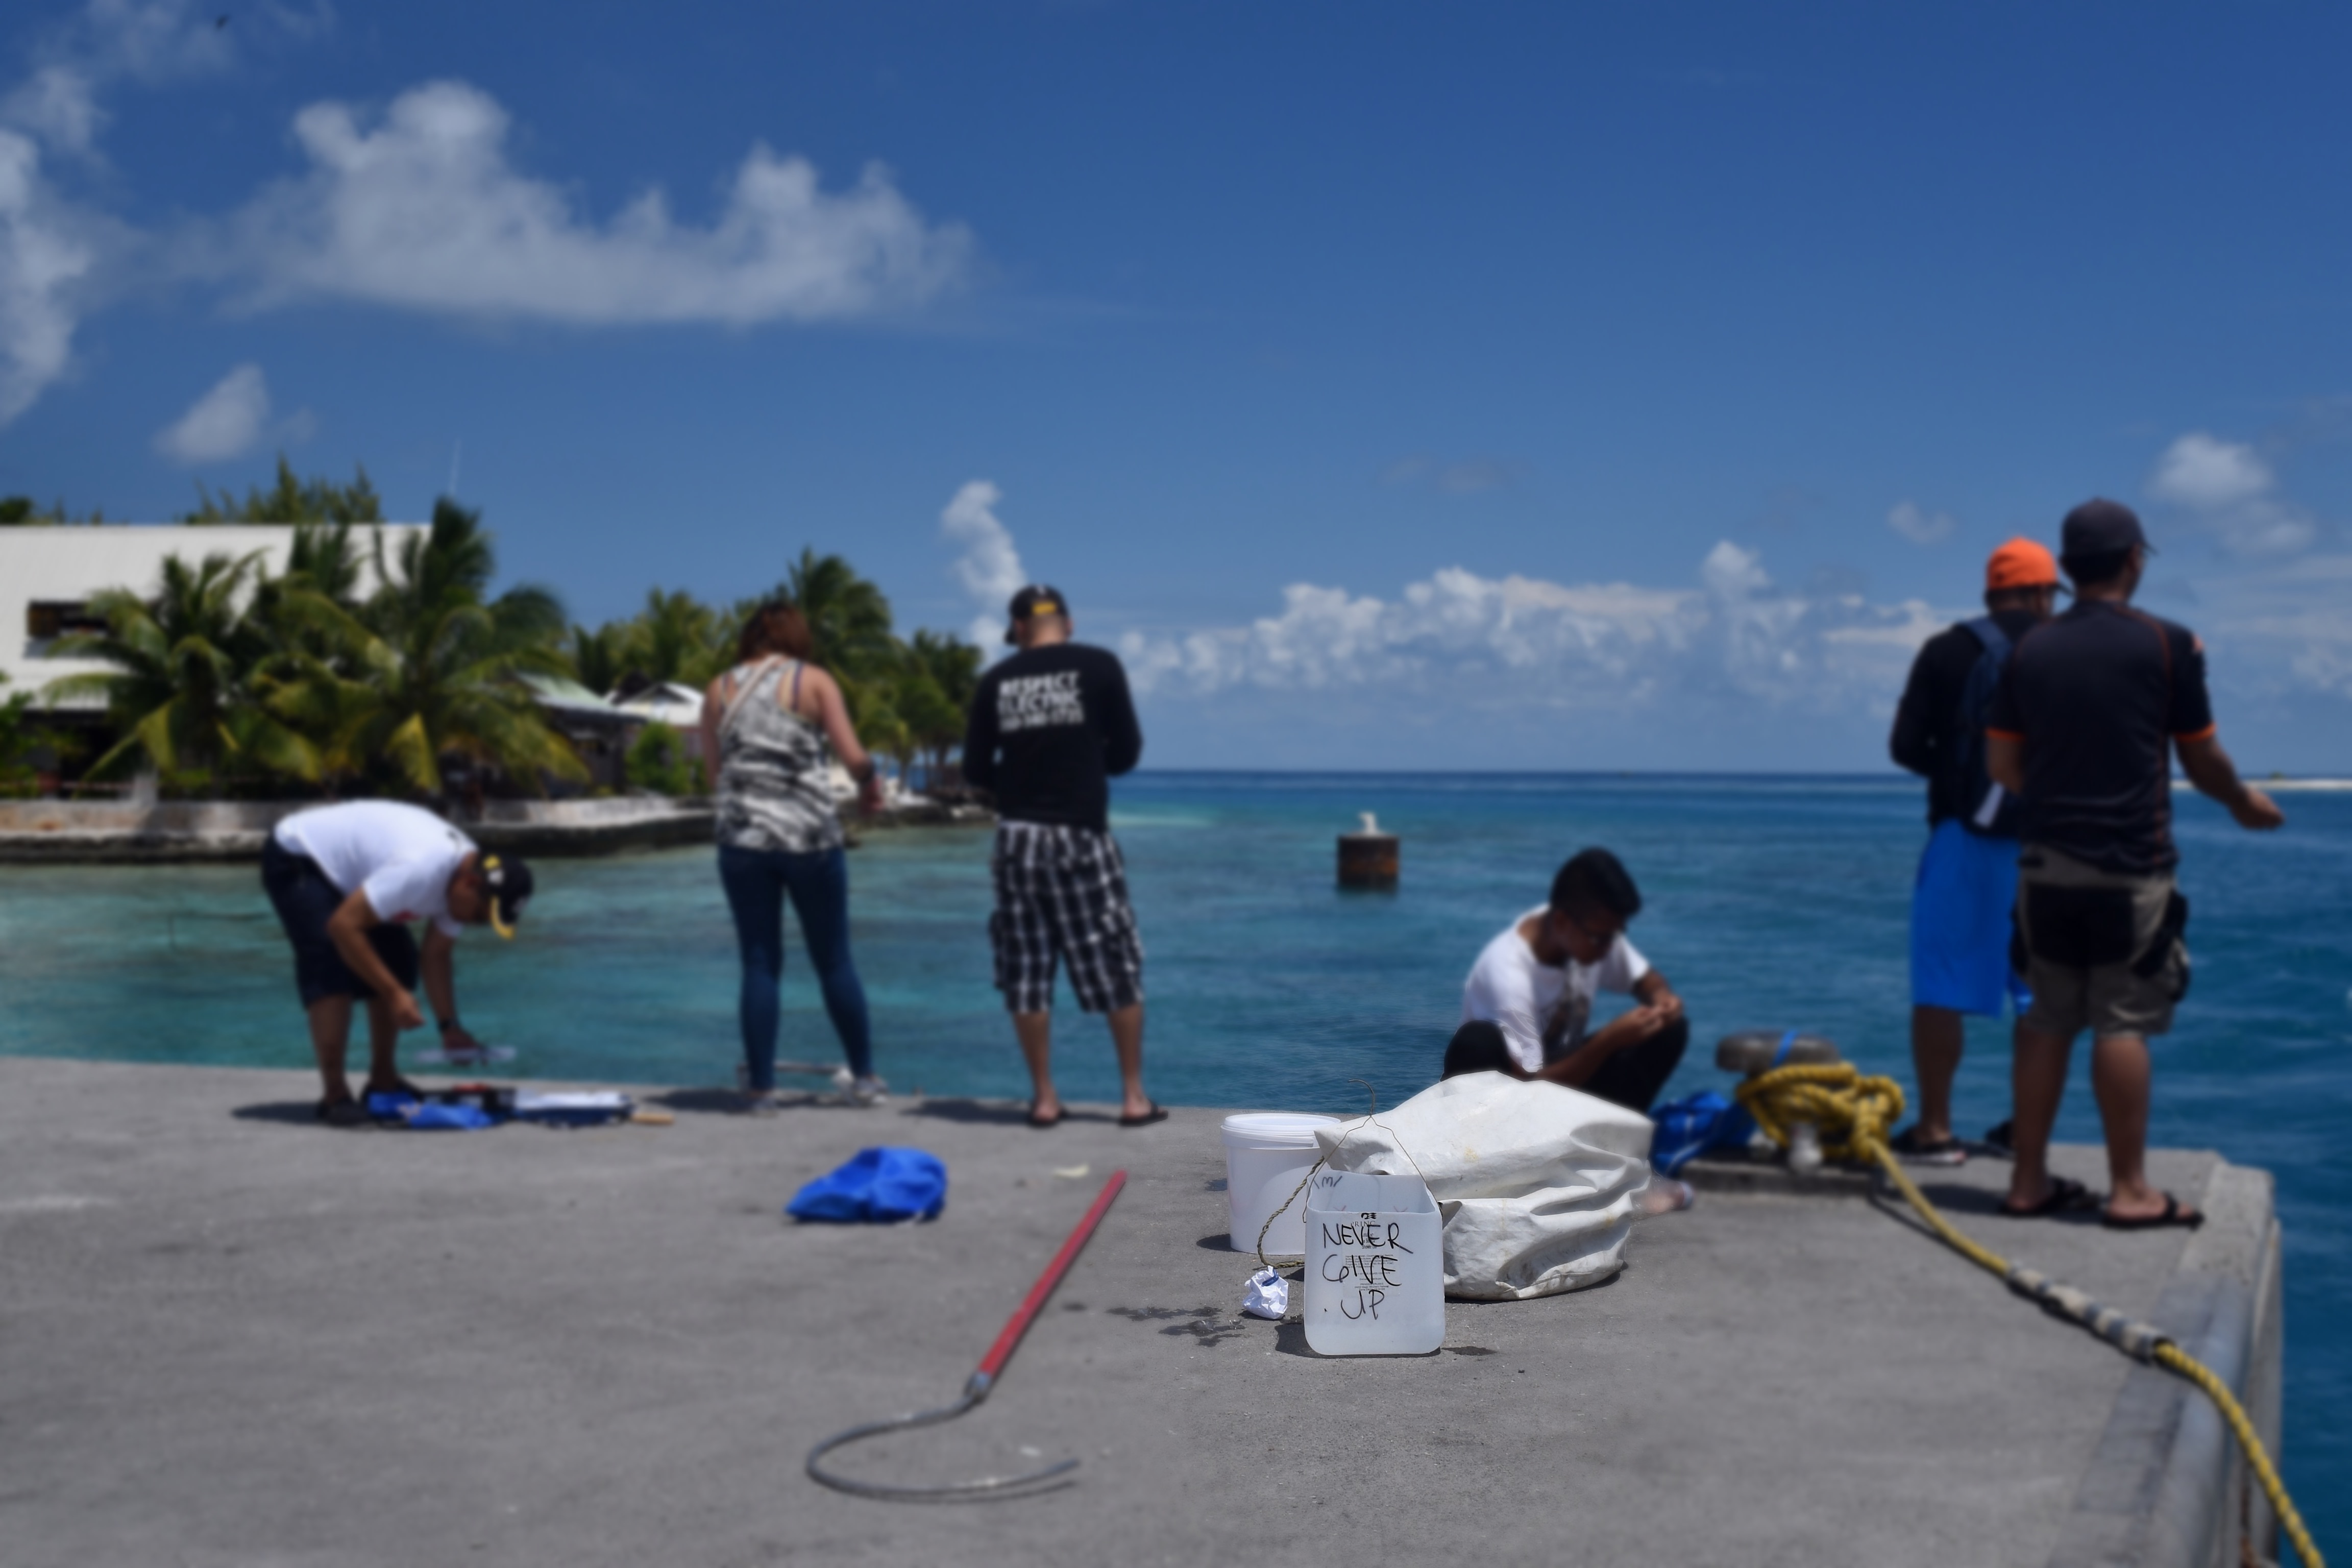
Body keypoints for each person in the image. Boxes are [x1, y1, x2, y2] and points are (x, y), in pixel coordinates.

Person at [1985, 499, 2284, 1227]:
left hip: (2044, 864)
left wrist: (2057, 805)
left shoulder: (2028, 650)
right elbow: (2201, 757)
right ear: (2133, 560)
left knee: (2048, 1017)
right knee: (2122, 1021)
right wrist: (2242, 802)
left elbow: (2003, 765)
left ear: (2067, 568)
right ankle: (2129, 1191)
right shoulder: (2167, 642)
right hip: (2129, 862)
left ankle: (2027, 1182)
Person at [1883, 538, 2060, 1164]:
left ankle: (1935, 1130)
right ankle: (2026, 1133)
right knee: (2039, 995)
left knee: (1940, 984)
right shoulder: (2061, 650)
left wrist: (1963, 777)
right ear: (2041, 593)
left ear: (1991, 593)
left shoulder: (1945, 650)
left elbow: (1904, 747)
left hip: (1963, 837)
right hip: (2047, 842)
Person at [960, 584, 1157, 1129]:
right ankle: (1133, 1097)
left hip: (1018, 838)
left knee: (1025, 967)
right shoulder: (1100, 665)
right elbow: (1127, 751)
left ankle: (1045, 1099)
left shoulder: (997, 680)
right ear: (1067, 624)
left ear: (1019, 629)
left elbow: (975, 767)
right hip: (1080, 834)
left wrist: (1018, 784)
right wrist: (1086, 765)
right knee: (1114, 959)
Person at [701, 601, 888, 1108]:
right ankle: (864, 1077)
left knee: (760, 964)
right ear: (797, 636)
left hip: (742, 843)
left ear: (750, 637)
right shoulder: (814, 680)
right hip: (810, 841)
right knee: (834, 960)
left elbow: (715, 777)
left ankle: (762, 1089)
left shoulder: (718, 690)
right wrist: (871, 783)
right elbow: (853, 757)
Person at [260, 800, 533, 1126]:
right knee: (330, 964)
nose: (477, 924)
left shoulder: (465, 879)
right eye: (480, 916)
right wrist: (393, 994)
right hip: (300, 855)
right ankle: (335, 1096)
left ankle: (383, 1081)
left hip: (359, 873)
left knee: (399, 960)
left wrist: (449, 1027)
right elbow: (342, 926)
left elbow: (436, 954)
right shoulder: (420, 869)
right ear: (470, 884)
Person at [1441, 848, 1688, 1115]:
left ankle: (1618, 1132)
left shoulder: (1588, 931)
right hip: (1506, 1099)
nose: (1610, 948)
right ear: (1561, 922)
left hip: (1560, 1074)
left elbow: (1646, 980)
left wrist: (1662, 999)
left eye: (1615, 935)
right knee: (1478, 1041)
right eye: (1603, 939)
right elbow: (1527, 1090)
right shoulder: (1508, 976)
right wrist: (1609, 1040)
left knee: (1668, 1029)